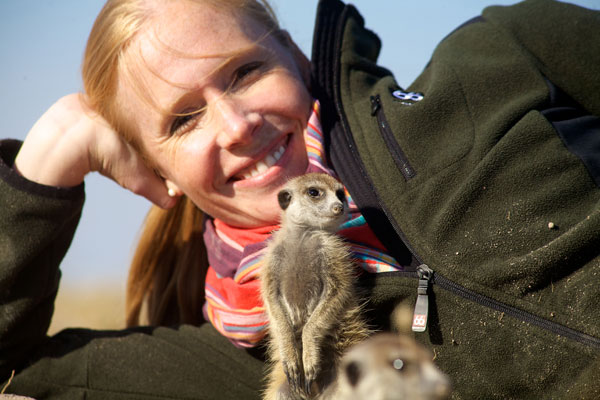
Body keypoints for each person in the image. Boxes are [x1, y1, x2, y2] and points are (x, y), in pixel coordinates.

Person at [1, 0, 599, 399]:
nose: (235, 124)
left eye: (244, 71)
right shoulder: (234, 365)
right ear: (162, 173)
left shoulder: (494, 60)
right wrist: (47, 158)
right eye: (183, 120)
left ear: (295, 55)